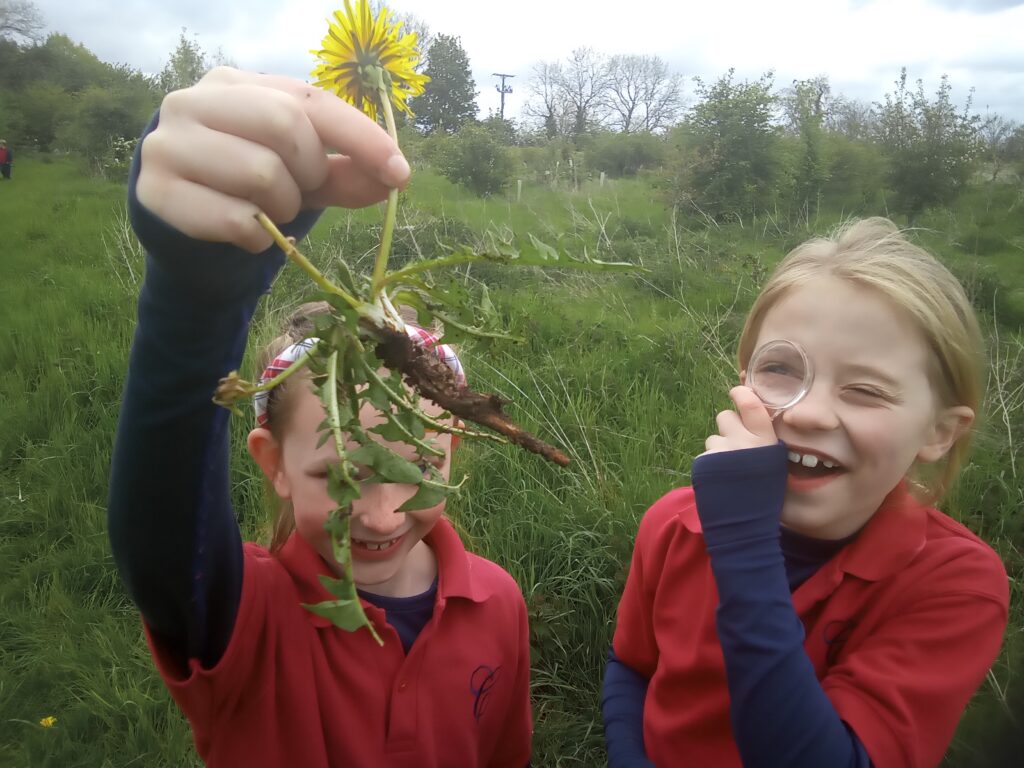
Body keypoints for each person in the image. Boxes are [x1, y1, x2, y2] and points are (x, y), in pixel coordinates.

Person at [107, 67, 532, 767]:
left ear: (456, 443)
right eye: (343, 475)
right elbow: (161, 547)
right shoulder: (245, 617)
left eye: (419, 466)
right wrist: (194, 304)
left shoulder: (499, 603)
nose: (383, 514)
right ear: (272, 463)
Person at [602, 218, 1009, 767]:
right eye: (779, 369)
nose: (810, 413)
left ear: (938, 432)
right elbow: (632, 666)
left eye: (865, 390)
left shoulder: (955, 584)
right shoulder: (674, 525)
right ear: (743, 380)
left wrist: (744, 549)